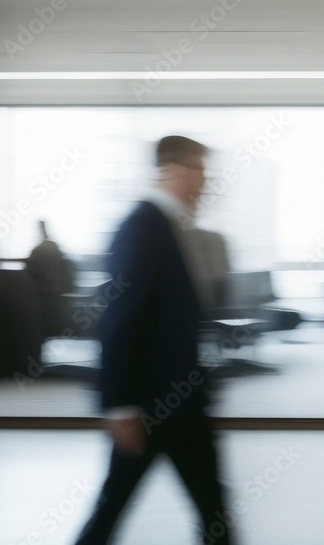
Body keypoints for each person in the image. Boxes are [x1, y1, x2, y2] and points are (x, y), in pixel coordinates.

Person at [75, 136, 234, 545]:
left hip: (181, 400)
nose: (206, 181)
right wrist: (119, 404)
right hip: (150, 406)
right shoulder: (143, 227)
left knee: (213, 510)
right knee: (113, 509)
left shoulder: (174, 227)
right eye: (200, 170)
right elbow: (119, 318)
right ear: (175, 170)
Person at [25, 219, 76, 340]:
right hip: (57, 292)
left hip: (44, 294)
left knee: (46, 325)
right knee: (55, 323)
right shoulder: (54, 247)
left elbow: (29, 271)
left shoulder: (37, 251)